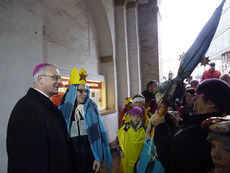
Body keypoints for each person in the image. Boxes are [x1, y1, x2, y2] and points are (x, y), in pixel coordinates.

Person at [7, 63, 75, 173]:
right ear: (40, 79)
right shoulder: (28, 109)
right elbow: (28, 161)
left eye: (60, 78)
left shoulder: (43, 105)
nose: (60, 82)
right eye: (55, 77)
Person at [151, 79, 230, 173]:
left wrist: (160, 127)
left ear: (211, 103)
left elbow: (170, 159)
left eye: (198, 96)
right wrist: (166, 120)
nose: (193, 99)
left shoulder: (208, 130)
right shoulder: (199, 123)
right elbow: (180, 137)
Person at [59, 67, 112, 173]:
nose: (85, 94)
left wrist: (97, 158)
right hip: (71, 159)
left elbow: (98, 134)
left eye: (86, 91)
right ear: (73, 91)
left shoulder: (91, 108)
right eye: (81, 91)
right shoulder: (63, 111)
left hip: (89, 158)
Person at [117, 107, 146, 173]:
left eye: (138, 116)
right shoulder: (127, 127)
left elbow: (146, 143)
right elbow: (119, 139)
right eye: (134, 116)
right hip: (127, 156)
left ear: (141, 117)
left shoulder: (143, 128)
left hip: (138, 158)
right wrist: (120, 150)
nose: (136, 118)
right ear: (130, 117)